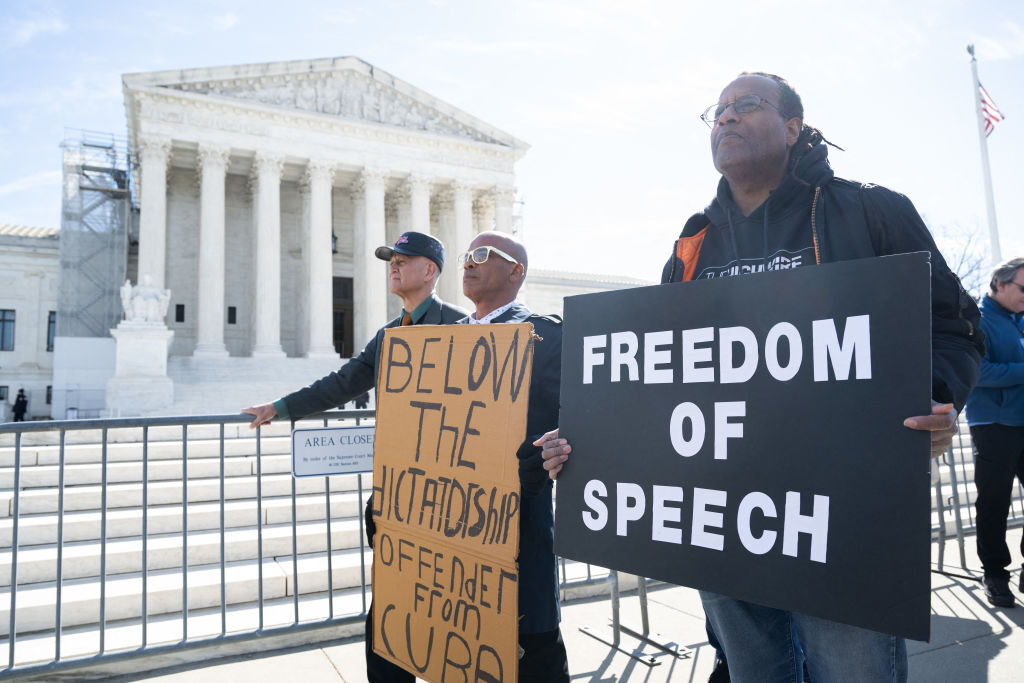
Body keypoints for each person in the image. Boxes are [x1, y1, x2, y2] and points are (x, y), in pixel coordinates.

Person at [538, 73, 983, 682]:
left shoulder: (868, 210)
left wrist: (933, 397)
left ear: (795, 125)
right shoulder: (694, 240)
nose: (726, 118)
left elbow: (956, 326)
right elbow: (662, 376)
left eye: (746, 105)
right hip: (722, 521)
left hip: (841, 518)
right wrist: (591, 445)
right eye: (716, 111)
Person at [242, 230, 467, 683]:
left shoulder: (461, 328)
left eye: (404, 260)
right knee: (389, 609)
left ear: (431, 270)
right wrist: (281, 408)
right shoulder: (388, 336)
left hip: (446, 496)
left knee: (447, 608)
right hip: (395, 495)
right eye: (391, 260)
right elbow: (342, 383)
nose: (394, 266)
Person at [458, 230, 569, 682]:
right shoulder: (441, 342)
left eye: (482, 255)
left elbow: (582, 417)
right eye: (466, 255)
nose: (468, 261)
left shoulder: (545, 336)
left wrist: (550, 450)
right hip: (456, 527)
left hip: (518, 524)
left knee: (536, 654)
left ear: (515, 271)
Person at [965, 257, 1024, 608]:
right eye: (1023, 288)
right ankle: (995, 574)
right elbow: (980, 373)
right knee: (994, 502)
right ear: (999, 284)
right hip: (994, 425)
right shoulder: (977, 321)